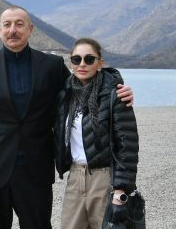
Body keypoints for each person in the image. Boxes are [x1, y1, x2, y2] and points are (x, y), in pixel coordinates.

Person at [0, 6, 134, 229]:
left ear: (30, 29)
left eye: (19, 24)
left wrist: (117, 90)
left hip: (36, 170)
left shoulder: (51, 66)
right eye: (7, 25)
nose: (13, 30)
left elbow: (83, 85)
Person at [55, 38, 139, 229]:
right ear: (71, 63)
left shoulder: (115, 95)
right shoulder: (65, 95)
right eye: (76, 59)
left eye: (89, 59)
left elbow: (127, 146)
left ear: (100, 63)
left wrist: (121, 189)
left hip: (105, 178)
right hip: (75, 177)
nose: (82, 64)